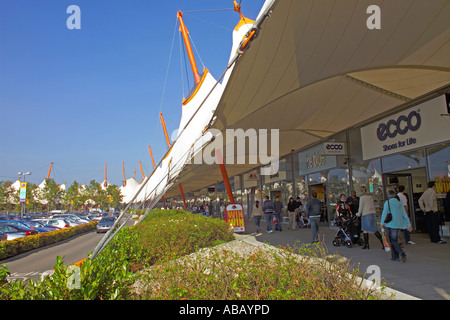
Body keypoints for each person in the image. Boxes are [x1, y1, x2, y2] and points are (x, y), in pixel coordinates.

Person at [381, 187, 413, 262]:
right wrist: (408, 224)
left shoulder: (387, 202)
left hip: (390, 224)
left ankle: (401, 252)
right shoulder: (399, 203)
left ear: (388, 195)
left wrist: (382, 223)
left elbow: (384, 213)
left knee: (393, 241)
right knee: (394, 240)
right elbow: (404, 215)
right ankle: (395, 257)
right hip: (399, 224)